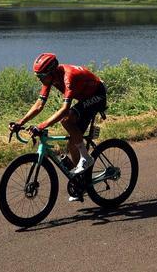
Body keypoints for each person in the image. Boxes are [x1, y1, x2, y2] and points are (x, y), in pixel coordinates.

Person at [10, 53, 107, 202]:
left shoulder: (69, 76)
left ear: (51, 72)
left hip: (97, 95)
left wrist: (41, 125)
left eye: (41, 76)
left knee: (66, 120)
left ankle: (86, 158)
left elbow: (64, 109)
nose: (39, 79)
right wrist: (20, 122)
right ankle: (80, 182)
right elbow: (39, 105)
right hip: (84, 98)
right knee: (72, 143)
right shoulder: (50, 79)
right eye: (37, 76)